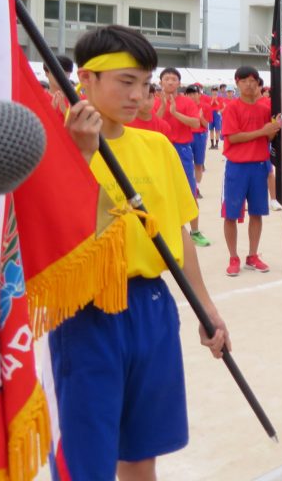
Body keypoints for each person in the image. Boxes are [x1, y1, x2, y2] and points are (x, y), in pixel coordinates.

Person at [51, 25, 229, 479]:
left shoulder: (158, 146)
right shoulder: (56, 148)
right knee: (86, 458)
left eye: (145, 84)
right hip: (87, 311)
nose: (138, 96)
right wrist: (84, 156)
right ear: (86, 80)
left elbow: (177, 237)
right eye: (125, 82)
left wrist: (206, 307)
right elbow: (59, 237)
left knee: (141, 450)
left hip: (151, 307)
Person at [220, 66, 282, 276]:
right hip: (236, 167)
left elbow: (269, 137)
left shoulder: (265, 108)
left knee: (257, 213)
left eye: (253, 80)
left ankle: (252, 255)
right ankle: (233, 257)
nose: (249, 84)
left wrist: (276, 127)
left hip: (259, 167)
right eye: (244, 80)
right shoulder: (231, 108)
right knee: (231, 214)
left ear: (258, 83)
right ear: (237, 82)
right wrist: (262, 131)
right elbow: (232, 137)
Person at [155, 67, 211, 246]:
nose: (170, 82)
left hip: (182, 149)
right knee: (160, 192)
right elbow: (151, 124)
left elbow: (195, 122)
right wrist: (163, 108)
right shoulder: (153, 101)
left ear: (179, 83)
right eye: (167, 79)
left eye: (173, 79)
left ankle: (194, 231)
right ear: (160, 82)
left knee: (189, 190)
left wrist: (175, 113)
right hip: (160, 149)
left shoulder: (186, 102)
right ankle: (162, 231)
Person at [184, 85, 210, 196]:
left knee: (198, 164)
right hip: (186, 135)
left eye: (194, 93)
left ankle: (196, 187)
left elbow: (206, 124)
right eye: (189, 94)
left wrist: (200, 117)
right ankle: (188, 186)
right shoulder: (183, 106)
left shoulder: (205, 106)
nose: (192, 96)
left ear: (199, 94)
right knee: (186, 163)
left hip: (200, 136)